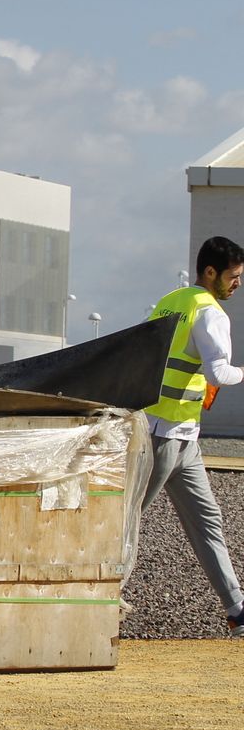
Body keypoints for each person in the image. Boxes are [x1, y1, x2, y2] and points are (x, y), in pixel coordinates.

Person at [137, 236, 244, 636]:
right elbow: (219, 373)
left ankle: (236, 609)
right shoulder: (211, 313)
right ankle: (97, 600)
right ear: (211, 272)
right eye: (234, 277)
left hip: (178, 437)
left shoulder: (171, 301)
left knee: (208, 520)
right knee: (127, 523)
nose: (237, 284)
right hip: (164, 440)